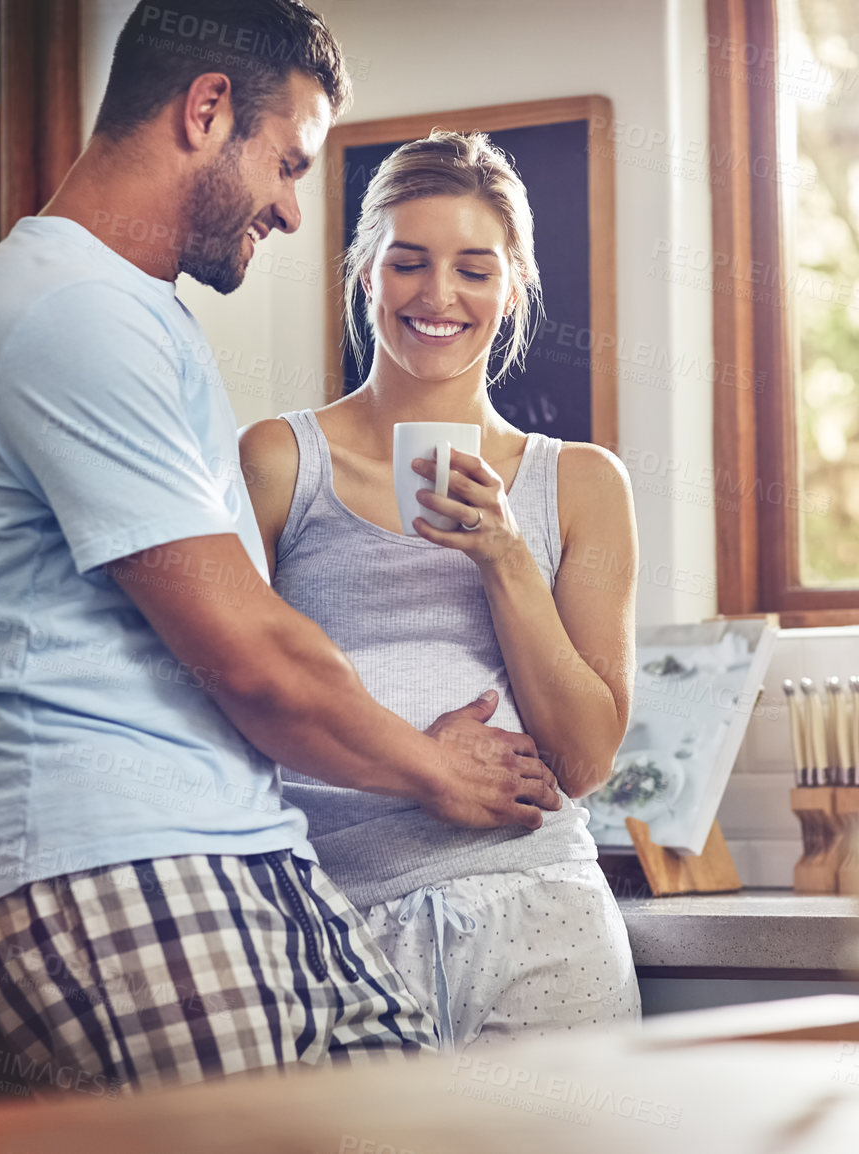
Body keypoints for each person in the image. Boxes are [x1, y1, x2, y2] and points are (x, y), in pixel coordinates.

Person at [0, 1, 563, 1090]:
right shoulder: (70, 312)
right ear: (207, 110)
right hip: (124, 856)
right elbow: (251, 651)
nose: (297, 212)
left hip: (235, 840)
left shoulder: (128, 310)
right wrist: (432, 769)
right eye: (289, 162)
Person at [238, 130, 641, 1050]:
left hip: (543, 913)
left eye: (475, 269)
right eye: (409, 262)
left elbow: (581, 760)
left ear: (515, 286)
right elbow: (223, 695)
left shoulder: (580, 483)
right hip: (336, 919)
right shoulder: (278, 460)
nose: (439, 296)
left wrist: (503, 555)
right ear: (365, 273)